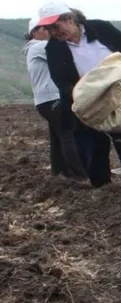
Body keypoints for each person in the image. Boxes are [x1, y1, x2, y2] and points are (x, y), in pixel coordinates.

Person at [38, 3, 121, 194]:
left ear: (69, 19)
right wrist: (88, 93)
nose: (53, 32)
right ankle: (102, 186)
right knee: (90, 144)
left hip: (117, 96)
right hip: (84, 100)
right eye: (49, 29)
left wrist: (119, 66)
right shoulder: (54, 47)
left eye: (56, 26)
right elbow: (61, 81)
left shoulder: (100, 28)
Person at [23, 16, 88, 182]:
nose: (50, 32)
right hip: (52, 99)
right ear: (34, 33)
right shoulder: (40, 46)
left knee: (58, 135)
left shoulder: (34, 48)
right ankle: (81, 174)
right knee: (69, 134)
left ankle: (59, 171)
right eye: (45, 29)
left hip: (45, 100)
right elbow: (67, 54)